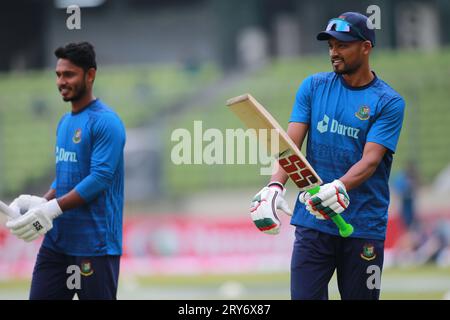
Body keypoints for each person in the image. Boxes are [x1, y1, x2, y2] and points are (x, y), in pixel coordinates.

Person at [250, 12, 405, 299]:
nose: (334, 52)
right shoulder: (313, 86)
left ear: (366, 47)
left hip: (363, 226)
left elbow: (371, 160)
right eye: (331, 45)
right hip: (313, 221)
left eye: (343, 45)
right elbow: (289, 146)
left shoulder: (389, 102)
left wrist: (339, 186)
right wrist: (274, 185)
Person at [5, 42, 126, 300]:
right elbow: (66, 174)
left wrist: (53, 208)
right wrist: (41, 202)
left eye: (69, 74)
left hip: (94, 246)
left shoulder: (107, 122)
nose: (61, 81)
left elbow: (100, 178)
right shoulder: (65, 122)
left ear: (90, 75)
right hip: (57, 244)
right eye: (58, 75)